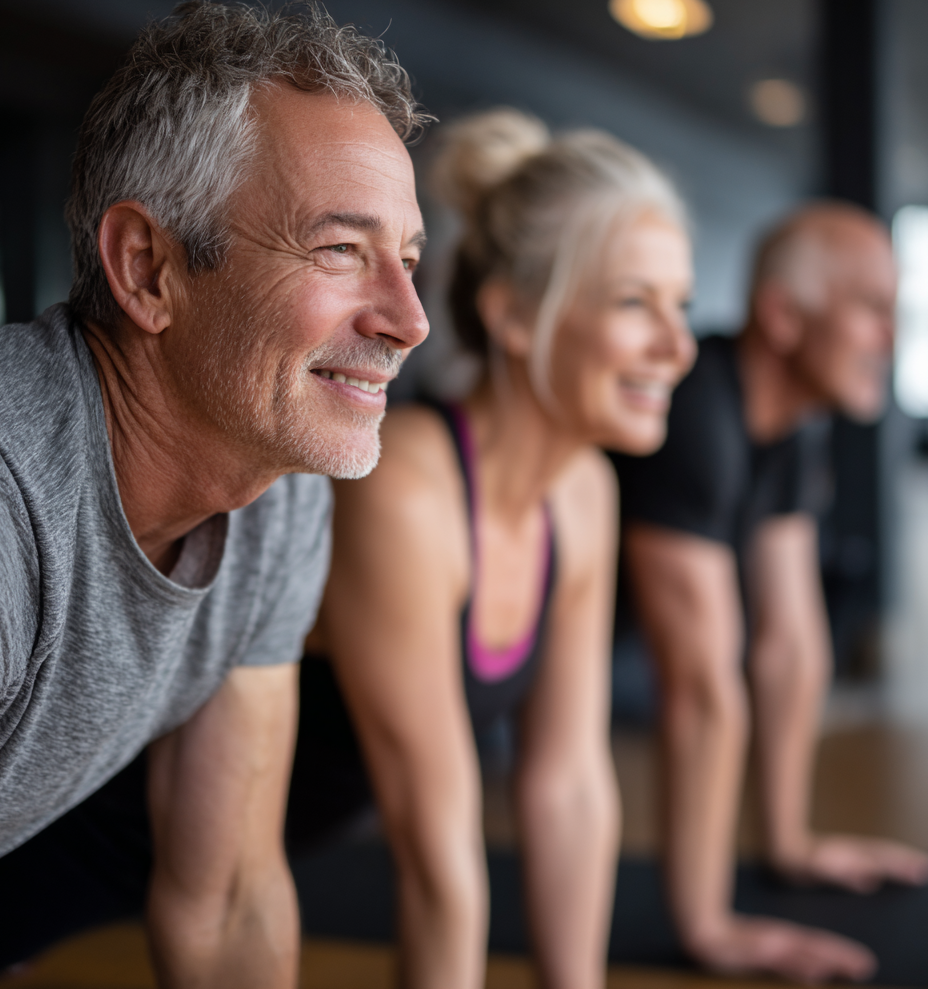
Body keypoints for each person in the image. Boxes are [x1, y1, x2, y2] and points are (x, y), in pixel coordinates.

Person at [0, 0, 431, 986]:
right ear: (148, 268)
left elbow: (227, 895)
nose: (410, 320)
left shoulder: (276, 485)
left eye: (405, 260)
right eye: (339, 250)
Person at [290, 108, 697, 988]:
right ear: (512, 315)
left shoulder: (583, 490)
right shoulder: (408, 486)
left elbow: (569, 786)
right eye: (635, 302)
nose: (679, 346)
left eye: (681, 306)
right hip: (104, 847)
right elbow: (439, 860)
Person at [611, 202, 928, 982]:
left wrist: (789, 847)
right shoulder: (696, 412)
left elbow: (790, 643)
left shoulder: (793, 424)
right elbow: (700, 689)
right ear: (783, 316)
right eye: (870, 311)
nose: (890, 340)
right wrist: (708, 927)